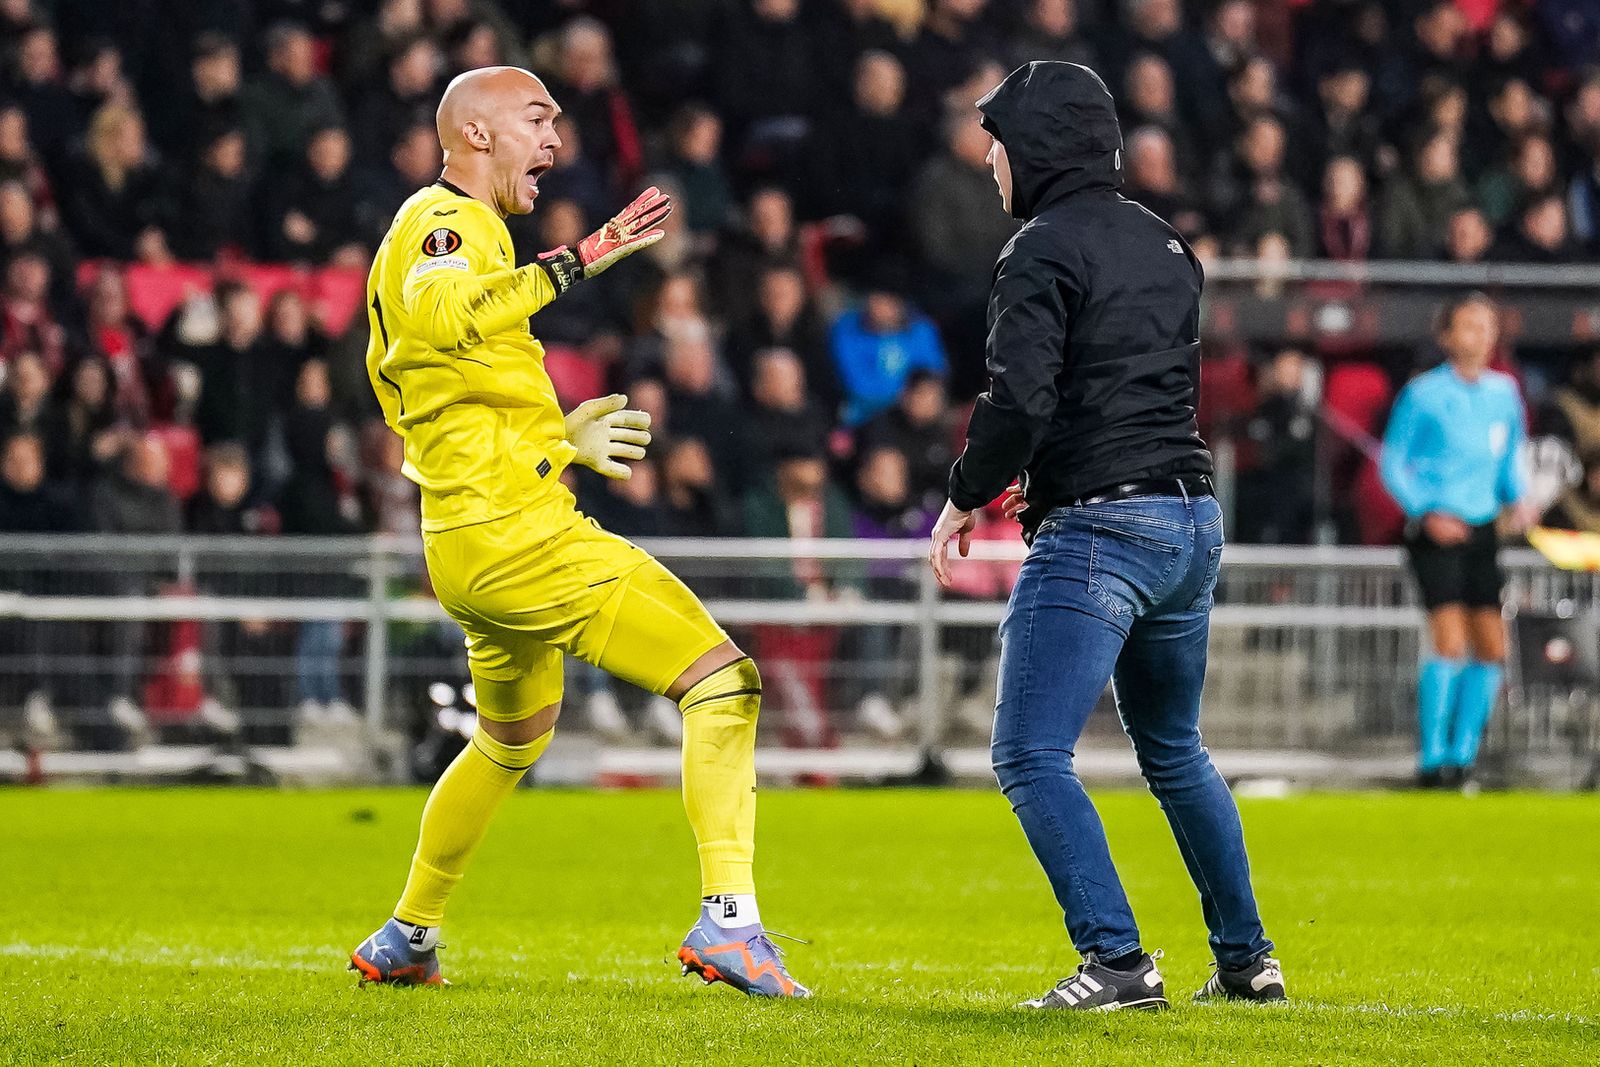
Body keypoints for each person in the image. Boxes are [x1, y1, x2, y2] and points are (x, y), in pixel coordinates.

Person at [349, 66, 807, 998]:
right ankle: (731, 922)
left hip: (469, 535)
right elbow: (443, 317)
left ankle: (408, 930)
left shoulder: (450, 231)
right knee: (723, 681)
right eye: (537, 119)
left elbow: (453, 400)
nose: (556, 140)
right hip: (519, 534)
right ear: (475, 133)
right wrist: (580, 256)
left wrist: (559, 439)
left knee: (509, 741)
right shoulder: (447, 224)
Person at [928, 61, 1282, 1011]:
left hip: (1100, 529)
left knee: (1029, 753)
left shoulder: (1040, 249)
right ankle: (1248, 962)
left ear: (1037, 147)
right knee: (1175, 749)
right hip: (1190, 518)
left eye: (999, 142)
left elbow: (1022, 399)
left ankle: (1117, 961)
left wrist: (968, 491)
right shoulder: (1167, 243)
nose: (990, 161)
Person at [1379, 293, 1537, 789]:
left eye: (1487, 326)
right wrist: (1425, 511)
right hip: (1437, 530)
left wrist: (1522, 499)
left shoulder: (1504, 393)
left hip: (1483, 527)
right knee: (1448, 639)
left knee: (1491, 644)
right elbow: (1392, 462)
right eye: (1469, 326)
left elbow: (1510, 457)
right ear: (1446, 335)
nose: (1480, 335)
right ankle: (1433, 760)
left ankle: (1464, 756)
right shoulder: (1423, 393)